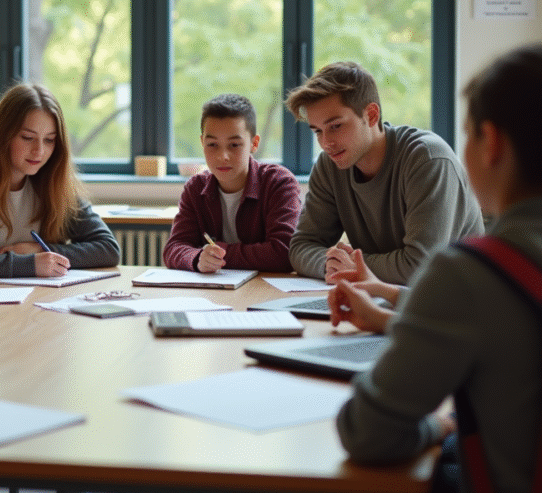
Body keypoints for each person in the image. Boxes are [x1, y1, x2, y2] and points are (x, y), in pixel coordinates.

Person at [333, 43, 542, 493]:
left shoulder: (469, 275)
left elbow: (366, 433)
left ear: (492, 144)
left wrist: (443, 426)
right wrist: (391, 310)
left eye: (467, 134)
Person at [285, 61, 483, 285]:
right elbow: (301, 247)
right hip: (387, 298)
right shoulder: (330, 165)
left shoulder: (428, 159)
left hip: (458, 305)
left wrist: (354, 265)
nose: (325, 143)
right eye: (318, 131)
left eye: (336, 126)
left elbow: (420, 266)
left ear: (371, 115)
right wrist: (330, 265)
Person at [0, 83, 120, 278]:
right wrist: (28, 264)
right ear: (3, 135)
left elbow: (108, 249)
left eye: (49, 140)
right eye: (28, 137)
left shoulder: (54, 181)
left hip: (40, 297)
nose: (39, 151)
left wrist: (38, 251)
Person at [163, 94, 301, 273]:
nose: (223, 156)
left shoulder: (279, 183)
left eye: (234, 145)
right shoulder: (195, 188)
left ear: (254, 143)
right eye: (212, 144)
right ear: (202, 142)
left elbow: (284, 252)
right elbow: (173, 248)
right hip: (213, 292)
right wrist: (198, 258)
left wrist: (222, 253)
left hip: (264, 291)